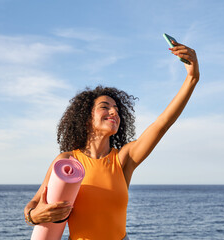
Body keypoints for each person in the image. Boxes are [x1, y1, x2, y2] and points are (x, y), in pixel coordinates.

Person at [24, 40, 200, 240]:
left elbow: (162, 124)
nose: (114, 111)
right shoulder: (67, 161)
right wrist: (33, 216)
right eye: (105, 106)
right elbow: (34, 204)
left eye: (116, 108)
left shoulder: (124, 158)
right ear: (86, 116)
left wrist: (192, 78)